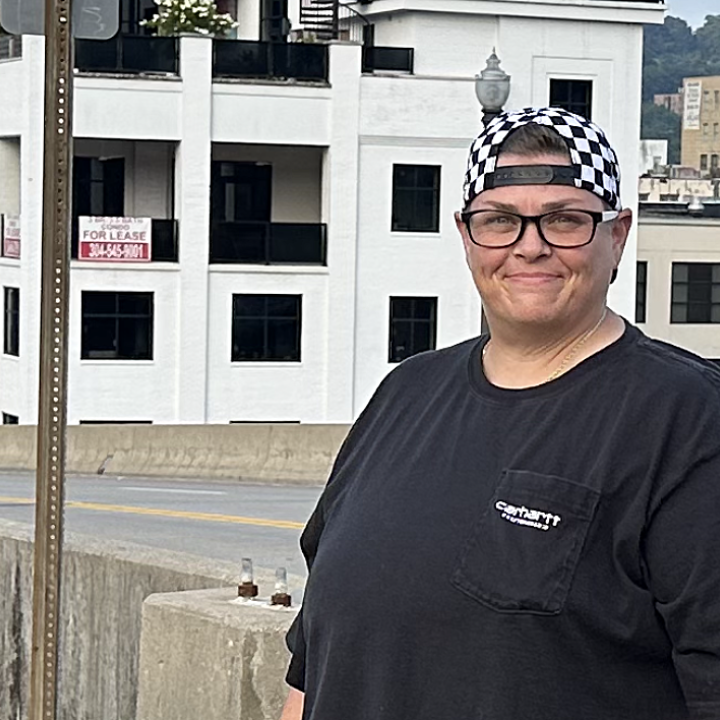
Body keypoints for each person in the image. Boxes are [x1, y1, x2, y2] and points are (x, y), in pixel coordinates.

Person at [279, 107, 720, 720]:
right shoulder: (403, 395)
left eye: (565, 220)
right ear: (466, 235)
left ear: (616, 235)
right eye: (501, 221)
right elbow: (314, 661)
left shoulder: (688, 418)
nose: (530, 246)